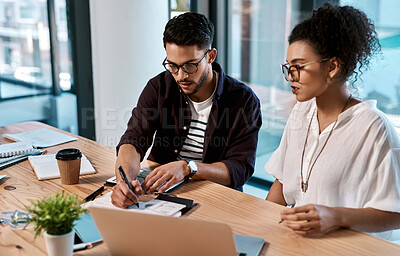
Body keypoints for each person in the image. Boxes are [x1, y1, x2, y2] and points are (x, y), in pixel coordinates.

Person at [265, 3, 400, 241]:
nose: (290, 77)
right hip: (296, 242)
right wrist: (259, 227)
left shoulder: (374, 127)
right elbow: (282, 181)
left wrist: (336, 216)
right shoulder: (301, 111)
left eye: (299, 67)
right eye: (288, 67)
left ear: (333, 67)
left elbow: (394, 214)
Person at [111, 12, 262, 208]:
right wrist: (124, 181)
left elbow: (240, 168)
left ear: (210, 56)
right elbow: (133, 140)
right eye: (172, 66)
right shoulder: (159, 87)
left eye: (190, 66)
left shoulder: (243, 100)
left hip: (216, 198)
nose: (181, 76)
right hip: (160, 195)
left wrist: (188, 168)